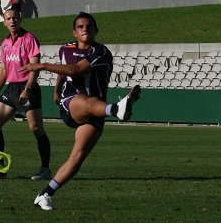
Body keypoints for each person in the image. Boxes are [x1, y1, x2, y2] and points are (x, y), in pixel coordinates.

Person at [20, 12, 141, 211]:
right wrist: (57, 89)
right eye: (81, 27)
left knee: (77, 158)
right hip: (72, 104)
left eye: (89, 26)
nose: (85, 29)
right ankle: (116, 109)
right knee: (87, 101)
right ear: (74, 32)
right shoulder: (65, 48)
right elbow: (65, 69)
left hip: (96, 111)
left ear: (96, 31)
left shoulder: (101, 51)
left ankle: (45, 194)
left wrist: (41, 65)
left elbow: (75, 70)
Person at [0, 8, 51, 180]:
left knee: (36, 128)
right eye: (8, 18)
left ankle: (45, 169)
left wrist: (28, 89)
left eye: (15, 18)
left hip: (27, 88)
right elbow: (3, 70)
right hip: (11, 89)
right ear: (4, 22)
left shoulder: (29, 39)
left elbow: (35, 68)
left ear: (20, 19)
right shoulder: (4, 43)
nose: (12, 21)